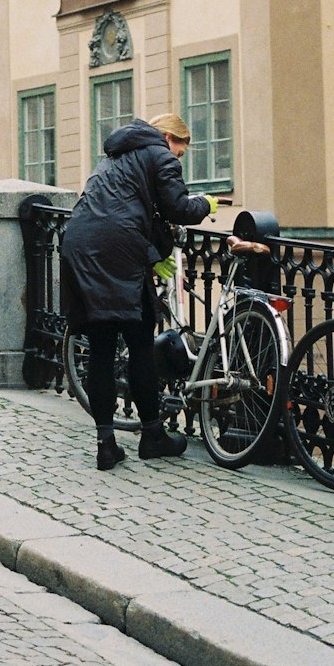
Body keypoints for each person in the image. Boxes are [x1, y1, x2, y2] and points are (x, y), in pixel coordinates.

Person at [60, 112, 217, 471]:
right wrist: (206, 204)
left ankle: (106, 444)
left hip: (81, 243)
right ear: (168, 138)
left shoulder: (115, 156)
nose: (178, 159)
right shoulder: (159, 154)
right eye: (180, 151)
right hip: (118, 253)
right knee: (140, 344)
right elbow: (178, 207)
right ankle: (152, 435)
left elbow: (122, 206)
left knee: (101, 348)